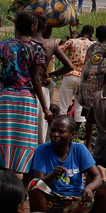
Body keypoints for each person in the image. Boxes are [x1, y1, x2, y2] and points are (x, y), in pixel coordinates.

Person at [0, 12, 51, 183]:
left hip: (7, 98)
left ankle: (0, 184)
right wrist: (46, 108)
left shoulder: (3, 45)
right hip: (26, 101)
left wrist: (7, 81)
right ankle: (24, 190)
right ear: (33, 28)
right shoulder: (36, 49)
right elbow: (36, 80)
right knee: (27, 143)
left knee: (4, 140)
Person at [29, 115, 106, 213]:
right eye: (53, 130)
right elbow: (38, 183)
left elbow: (97, 177)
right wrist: (52, 176)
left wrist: (89, 188)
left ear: (72, 135)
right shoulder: (42, 150)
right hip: (51, 201)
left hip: (78, 199)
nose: (55, 135)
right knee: (34, 186)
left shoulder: (79, 149)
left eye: (61, 132)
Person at [31, 13, 74, 144]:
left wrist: (50, 74)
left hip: (26, 88)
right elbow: (69, 66)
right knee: (41, 124)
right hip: (41, 88)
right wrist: (50, 74)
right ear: (43, 27)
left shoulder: (26, 42)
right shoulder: (51, 44)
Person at [77, 24, 106, 132]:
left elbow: (86, 65)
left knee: (89, 116)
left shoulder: (91, 48)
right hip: (101, 88)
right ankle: (101, 135)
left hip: (88, 88)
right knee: (102, 115)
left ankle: (88, 142)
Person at [58, 24, 95, 129]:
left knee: (63, 105)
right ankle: (76, 133)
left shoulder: (72, 41)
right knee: (79, 109)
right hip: (83, 79)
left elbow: (58, 50)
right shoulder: (93, 44)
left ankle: (62, 128)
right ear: (91, 34)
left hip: (70, 75)